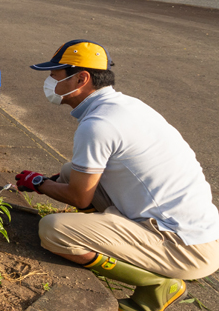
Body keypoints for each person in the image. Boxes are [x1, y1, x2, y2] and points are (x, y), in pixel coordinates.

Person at [18, 40, 219, 311]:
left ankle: (157, 286)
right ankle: (116, 236)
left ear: (81, 78)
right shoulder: (125, 106)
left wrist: (40, 183)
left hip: (184, 247)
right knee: (68, 172)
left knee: (54, 231)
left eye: (55, 75)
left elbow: (79, 197)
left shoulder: (98, 124)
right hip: (194, 228)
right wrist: (50, 182)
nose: (49, 81)